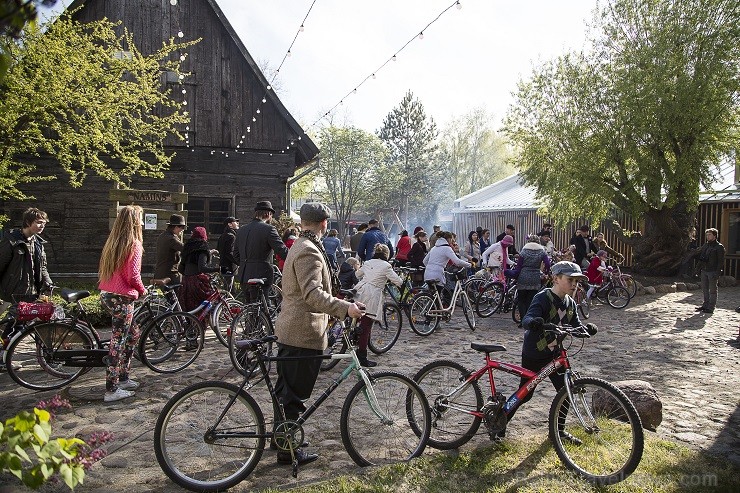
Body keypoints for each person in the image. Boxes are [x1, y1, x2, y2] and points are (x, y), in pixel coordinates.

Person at [273, 202, 364, 466]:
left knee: (286, 392)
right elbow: (312, 295)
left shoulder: (301, 245)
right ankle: (288, 450)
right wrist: (345, 308)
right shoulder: (309, 251)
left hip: (294, 330)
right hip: (302, 332)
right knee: (295, 396)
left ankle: (281, 438)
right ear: (324, 223)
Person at [507, 261, 597, 441]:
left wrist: (587, 330)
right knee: (525, 393)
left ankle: (558, 432)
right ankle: (502, 418)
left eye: (577, 281)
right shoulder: (543, 297)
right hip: (534, 353)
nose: (574, 284)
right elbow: (528, 318)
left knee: (565, 392)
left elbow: (575, 325)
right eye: (570, 279)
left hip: (556, 354)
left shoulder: (570, 303)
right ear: (556, 278)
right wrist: (533, 323)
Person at [97, 205, 147, 402]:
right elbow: (133, 275)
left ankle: (124, 376)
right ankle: (112, 388)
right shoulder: (134, 244)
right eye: (140, 219)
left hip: (108, 294)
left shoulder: (114, 242)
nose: (142, 222)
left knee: (133, 334)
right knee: (118, 342)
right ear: (135, 221)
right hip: (122, 297)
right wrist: (142, 291)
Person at [0, 207, 53, 368]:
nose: (42, 226)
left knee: (31, 324)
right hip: (13, 292)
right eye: (38, 223)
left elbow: (43, 267)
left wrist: (48, 282)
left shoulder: (38, 243)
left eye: (44, 223)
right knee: (14, 324)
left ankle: (46, 359)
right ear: (28, 222)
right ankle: (3, 357)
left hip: (32, 292)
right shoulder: (12, 241)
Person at [354, 243, 403, 367]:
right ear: (386, 255)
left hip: (360, 290)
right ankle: (362, 356)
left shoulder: (368, 262)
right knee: (366, 325)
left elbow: (357, 275)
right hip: (372, 294)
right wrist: (401, 281)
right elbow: (398, 281)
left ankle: (352, 338)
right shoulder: (386, 266)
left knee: (356, 316)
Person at [236, 201, 288, 302]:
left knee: (249, 308)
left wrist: (246, 264)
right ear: (268, 214)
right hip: (262, 274)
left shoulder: (242, 230)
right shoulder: (269, 229)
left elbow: (236, 255)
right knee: (263, 308)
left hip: (244, 275)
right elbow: (282, 251)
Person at [511, 234, 551, 324]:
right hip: (535, 276)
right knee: (530, 300)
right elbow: (547, 264)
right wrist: (546, 272)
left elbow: (519, 265)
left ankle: (522, 320)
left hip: (523, 276)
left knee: (521, 300)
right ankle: (528, 320)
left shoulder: (524, 251)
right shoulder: (542, 251)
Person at [178, 226, 219, 312]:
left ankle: (190, 324)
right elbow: (202, 268)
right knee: (205, 306)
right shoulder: (202, 249)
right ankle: (202, 324)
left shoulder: (187, 249)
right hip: (197, 283)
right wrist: (217, 269)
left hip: (186, 282)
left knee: (189, 308)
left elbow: (181, 268)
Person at [695, 228, 725, 314]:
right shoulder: (706, 245)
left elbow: (720, 261)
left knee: (712, 290)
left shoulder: (719, 247)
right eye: (707, 235)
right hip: (704, 270)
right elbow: (701, 258)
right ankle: (705, 305)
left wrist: (718, 272)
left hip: (713, 271)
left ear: (714, 236)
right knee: (704, 289)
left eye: (710, 235)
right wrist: (697, 269)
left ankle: (711, 307)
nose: (708, 236)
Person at [155, 214, 186, 283]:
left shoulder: (163, 236)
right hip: (169, 275)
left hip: (161, 273)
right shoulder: (171, 239)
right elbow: (185, 248)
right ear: (175, 227)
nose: (183, 230)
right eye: (182, 227)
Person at [217, 216, 239, 293]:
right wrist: (238, 262)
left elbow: (218, 249)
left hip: (223, 264)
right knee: (228, 290)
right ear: (229, 224)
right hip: (230, 266)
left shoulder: (222, 236)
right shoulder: (231, 236)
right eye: (235, 222)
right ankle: (225, 304)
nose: (237, 223)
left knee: (228, 287)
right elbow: (230, 253)